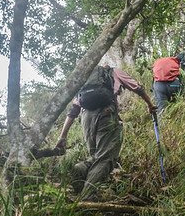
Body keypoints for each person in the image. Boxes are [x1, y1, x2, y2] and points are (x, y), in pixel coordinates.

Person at [56, 64, 156, 200]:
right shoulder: (113, 72)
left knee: (96, 156)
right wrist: (150, 104)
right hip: (106, 113)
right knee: (105, 158)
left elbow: (74, 110)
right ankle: (88, 197)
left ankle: (79, 171)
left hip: (86, 118)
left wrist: (62, 136)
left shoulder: (85, 80)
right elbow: (137, 87)